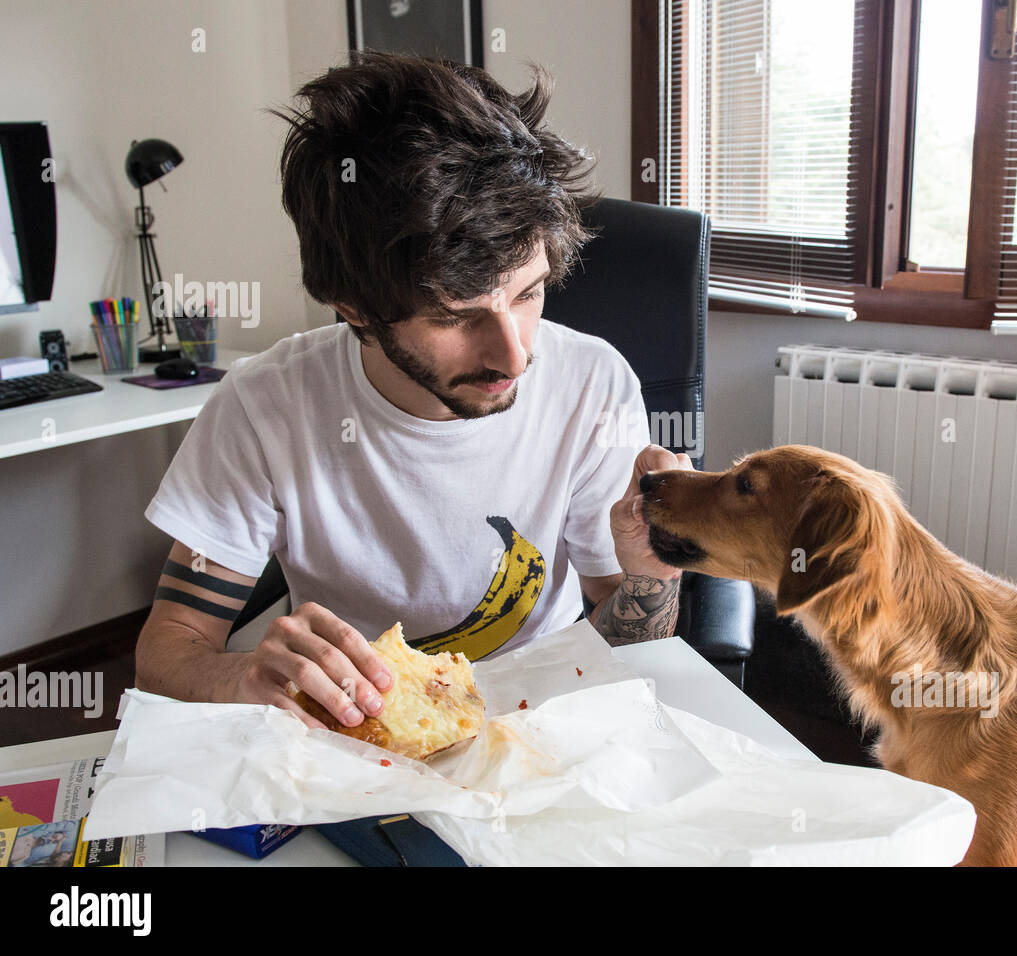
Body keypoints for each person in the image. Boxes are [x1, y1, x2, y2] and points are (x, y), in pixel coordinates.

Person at [134, 52, 691, 734]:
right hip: (352, 736)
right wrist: (238, 675)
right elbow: (170, 648)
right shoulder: (262, 407)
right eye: (455, 317)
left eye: (528, 294)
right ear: (354, 307)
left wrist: (651, 577)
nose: (514, 354)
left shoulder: (591, 384)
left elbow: (629, 648)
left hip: (538, 730)